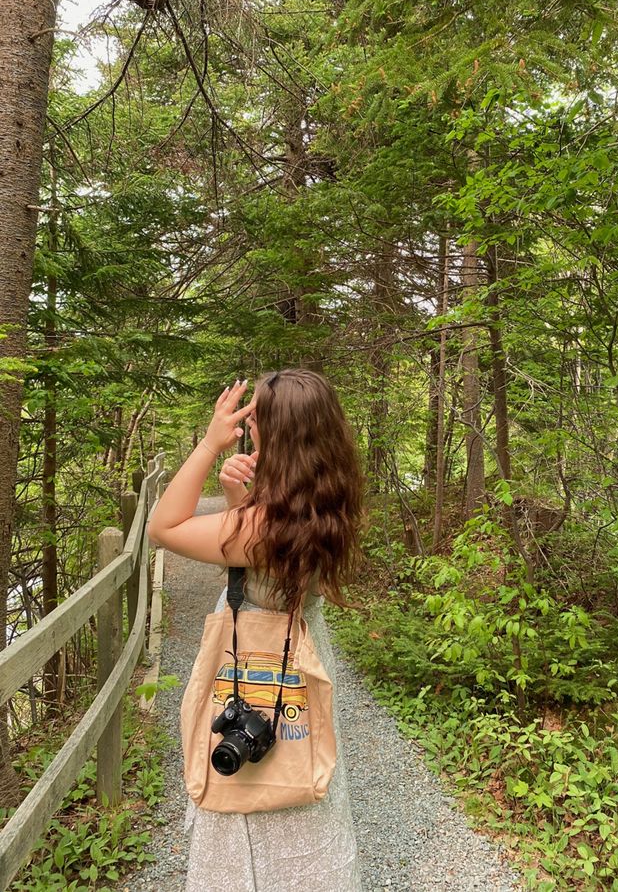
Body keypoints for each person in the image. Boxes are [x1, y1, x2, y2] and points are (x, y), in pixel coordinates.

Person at [147, 369, 364, 891]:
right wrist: (236, 497)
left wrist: (207, 445)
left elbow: (163, 527)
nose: (251, 430)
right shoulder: (324, 506)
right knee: (298, 755)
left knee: (247, 775)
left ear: (279, 435)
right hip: (296, 656)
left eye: (258, 421)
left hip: (254, 664)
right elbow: (265, 564)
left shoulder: (264, 527)